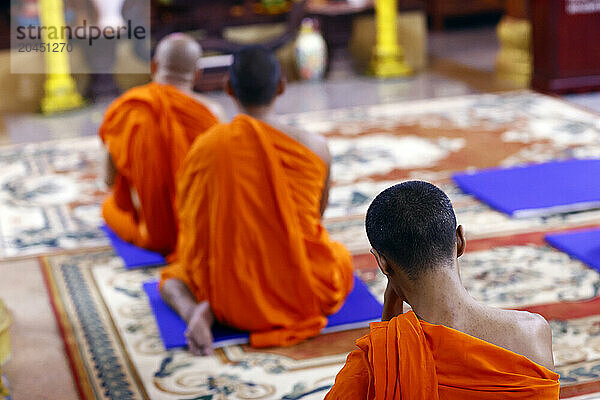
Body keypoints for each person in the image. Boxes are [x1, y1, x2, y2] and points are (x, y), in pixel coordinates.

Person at [160, 45, 354, 354]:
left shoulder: (207, 146)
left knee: (173, 279)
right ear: (281, 87)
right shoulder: (315, 147)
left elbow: (191, 219)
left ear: (228, 89)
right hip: (305, 291)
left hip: (230, 299)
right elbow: (316, 215)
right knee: (341, 259)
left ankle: (193, 312)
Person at [325, 181, 559, 399]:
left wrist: (386, 340)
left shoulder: (368, 366)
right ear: (459, 240)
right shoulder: (531, 333)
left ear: (382, 263)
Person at [100, 33, 226, 257]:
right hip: (206, 230)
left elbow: (109, 180)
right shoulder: (212, 113)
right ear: (197, 74)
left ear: (154, 66)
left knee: (108, 208)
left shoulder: (129, 108)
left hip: (156, 235)